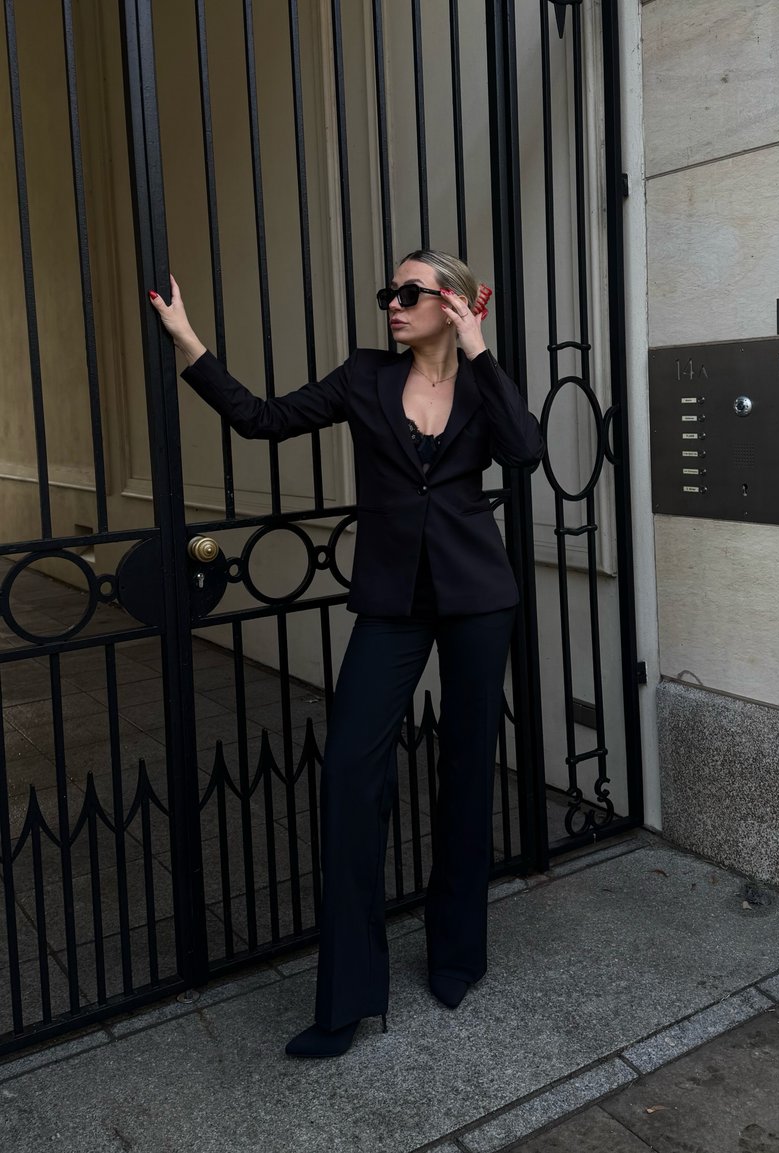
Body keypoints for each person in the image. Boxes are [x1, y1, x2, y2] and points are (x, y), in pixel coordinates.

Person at [149, 249, 545, 1058]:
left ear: (459, 303)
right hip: (391, 605)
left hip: (478, 601)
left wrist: (479, 349)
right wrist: (190, 342)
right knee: (350, 776)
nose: (392, 305)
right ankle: (348, 997)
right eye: (387, 293)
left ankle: (457, 953)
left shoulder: (482, 382)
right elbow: (263, 419)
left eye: (409, 292)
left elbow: (525, 451)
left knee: (467, 772)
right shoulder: (365, 377)